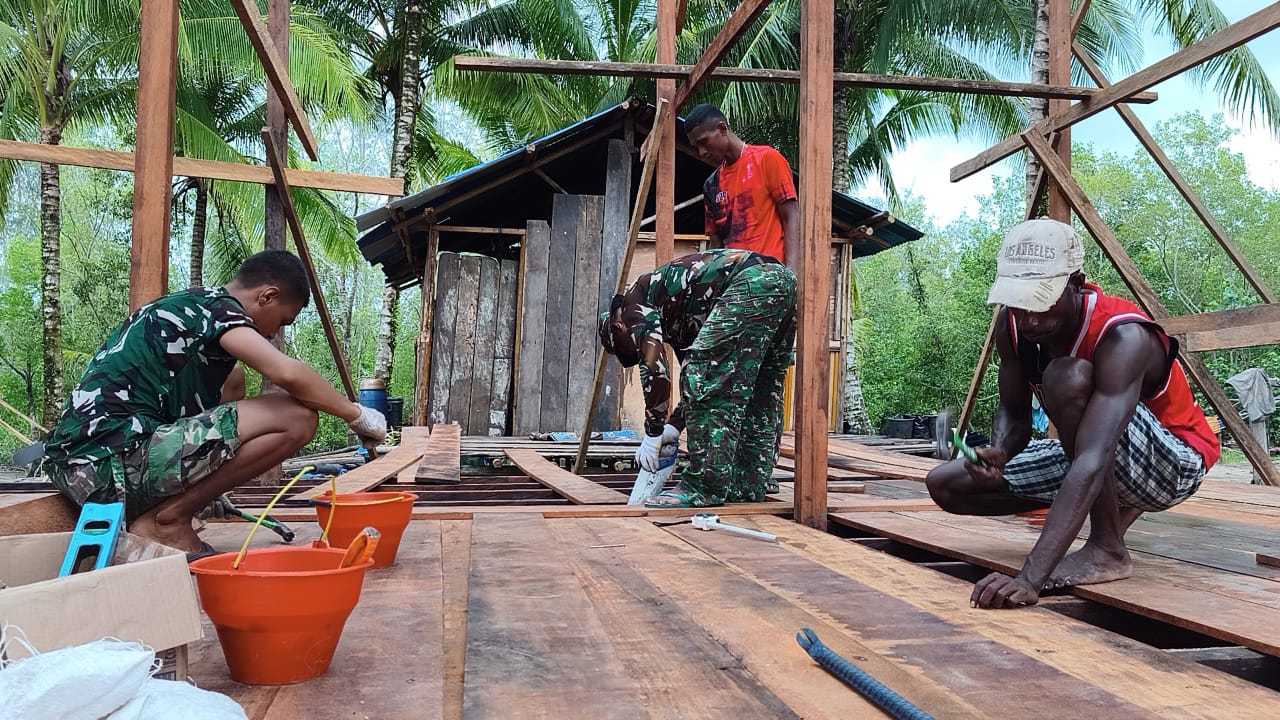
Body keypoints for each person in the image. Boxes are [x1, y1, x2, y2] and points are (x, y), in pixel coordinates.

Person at [925, 218, 1219, 609]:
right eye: (1020, 303)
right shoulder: (1012, 326)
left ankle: (1106, 548)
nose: (1030, 319)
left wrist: (1031, 577)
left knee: (1066, 376)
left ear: (1076, 283)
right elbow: (1014, 413)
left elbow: (1095, 457)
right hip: (1091, 454)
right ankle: (1100, 511)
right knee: (946, 483)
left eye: (1042, 302)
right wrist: (1000, 451)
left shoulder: (1123, 335)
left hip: (1174, 464)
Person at [43, 250, 386, 560]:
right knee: (296, 416)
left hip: (85, 467)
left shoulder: (188, 309)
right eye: (282, 321)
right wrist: (357, 414)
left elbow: (223, 400)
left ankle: (170, 510)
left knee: (234, 378)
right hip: (107, 468)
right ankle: (167, 522)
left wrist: (204, 486)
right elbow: (286, 372)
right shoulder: (217, 309)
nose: (273, 334)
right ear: (268, 295)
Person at [598, 248, 796, 507]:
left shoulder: (632, 306)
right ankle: (747, 484)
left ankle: (702, 487)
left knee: (708, 378)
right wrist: (674, 426)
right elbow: (696, 384)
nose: (634, 348)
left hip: (749, 282)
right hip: (781, 281)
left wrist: (654, 432)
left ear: (618, 328)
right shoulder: (680, 315)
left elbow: (656, 371)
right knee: (760, 388)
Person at [685, 103, 800, 270]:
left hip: (768, 275)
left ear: (722, 128)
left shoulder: (767, 159)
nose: (702, 152)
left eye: (704, 142)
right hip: (733, 281)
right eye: (697, 147)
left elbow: (792, 217)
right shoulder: (711, 185)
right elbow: (715, 243)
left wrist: (791, 275)